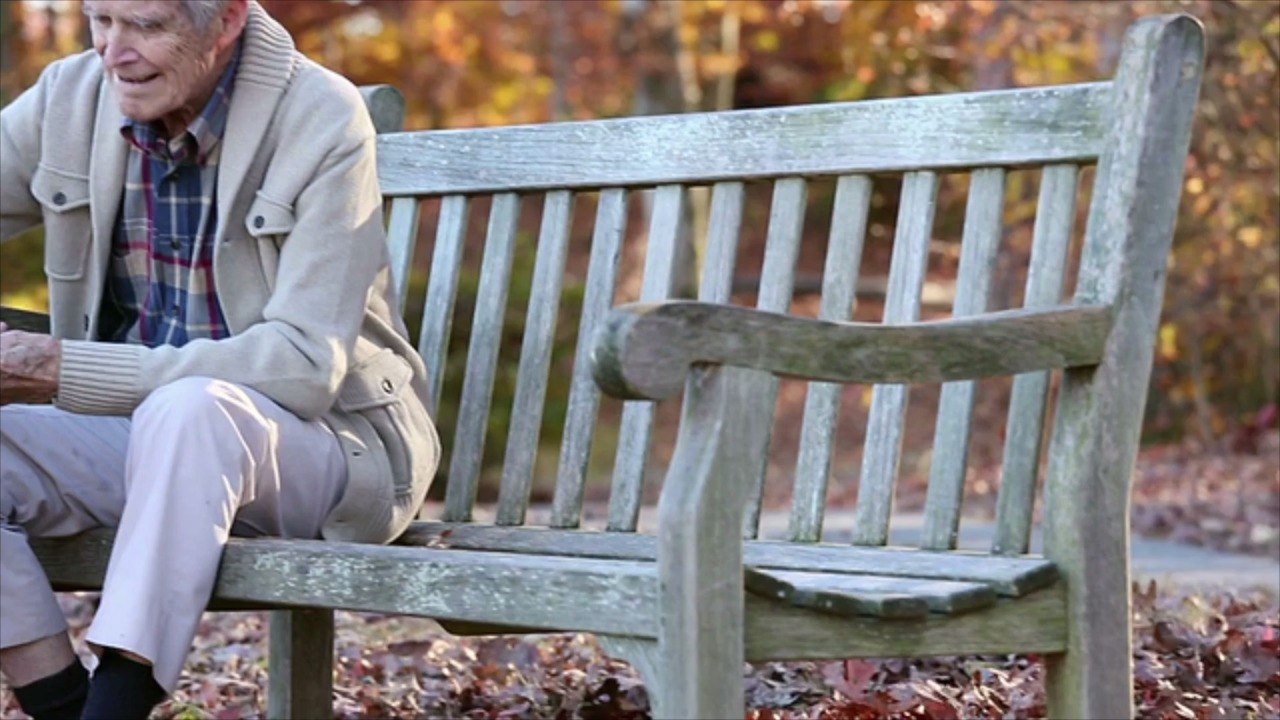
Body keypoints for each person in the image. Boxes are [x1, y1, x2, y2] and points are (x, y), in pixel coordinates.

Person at [0, 1, 439, 717]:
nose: (115, 51)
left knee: (192, 405)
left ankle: (113, 708)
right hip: (144, 438)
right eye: (100, 19)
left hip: (322, 448)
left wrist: (59, 368)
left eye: (146, 26)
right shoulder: (70, 96)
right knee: (171, 413)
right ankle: (62, 703)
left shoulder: (318, 115)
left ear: (227, 20)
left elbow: (303, 366)